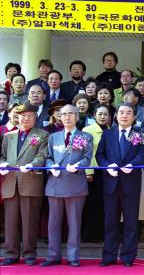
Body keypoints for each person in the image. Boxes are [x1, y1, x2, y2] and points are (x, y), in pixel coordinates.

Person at [95, 103, 144, 267]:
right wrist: (107, 166)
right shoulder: (108, 134)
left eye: (129, 113)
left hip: (130, 183)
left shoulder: (140, 134)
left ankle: (128, 257)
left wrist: (132, 165)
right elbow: (100, 155)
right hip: (111, 183)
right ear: (116, 116)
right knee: (110, 222)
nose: (124, 115)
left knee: (131, 222)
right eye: (122, 113)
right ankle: (109, 256)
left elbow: (143, 154)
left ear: (134, 117)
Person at [41, 104, 93, 267]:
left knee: (74, 223)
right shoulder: (53, 137)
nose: (67, 117)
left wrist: (78, 165)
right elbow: (48, 157)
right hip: (55, 184)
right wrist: (51, 167)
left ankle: (73, 256)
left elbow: (87, 157)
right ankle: (53, 255)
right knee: (53, 223)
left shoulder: (85, 136)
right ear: (59, 117)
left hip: (75, 183)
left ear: (77, 117)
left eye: (71, 114)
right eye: (64, 114)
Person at [0, 104, 49, 266]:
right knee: (10, 222)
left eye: (29, 115)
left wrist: (33, 165)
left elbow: (42, 155)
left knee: (30, 222)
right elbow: (1, 156)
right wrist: (3, 164)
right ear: (17, 117)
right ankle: (11, 253)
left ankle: (29, 254)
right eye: (22, 115)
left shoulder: (42, 135)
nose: (25, 118)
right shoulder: (9, 136)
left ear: (35, 118)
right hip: (10, 183)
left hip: (30, 181)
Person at [81, 104, 111, 243]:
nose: (103, 117)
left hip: (106, 172)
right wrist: (88, 172)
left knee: (103, 204)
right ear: (94, 115)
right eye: (100, 114)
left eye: (105, 114)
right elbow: (84, 153)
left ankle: (101, 234)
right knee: (92, 204)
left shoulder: (111, 130)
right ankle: (89, 235)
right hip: (92, 172)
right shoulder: (87, 130)